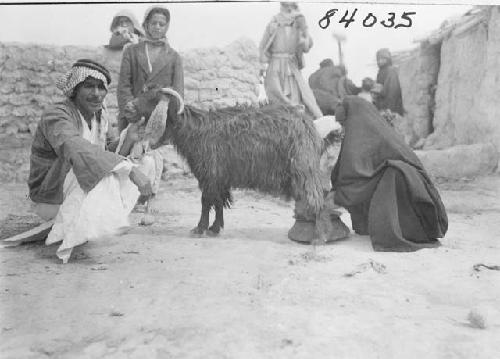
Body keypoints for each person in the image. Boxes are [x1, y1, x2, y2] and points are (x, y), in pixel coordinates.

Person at [27, 59, 153, 263]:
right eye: (89, 86)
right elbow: (75, 147)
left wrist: (129, 137)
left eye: (101, 87)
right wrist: (129, 170)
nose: (96, 93)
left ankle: (90, 226)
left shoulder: (99, 115)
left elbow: (108, 150)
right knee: (96, 167)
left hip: (76, 187)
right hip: (51, 194)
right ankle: (73, 234)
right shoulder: (57, 114)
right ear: (74, 89)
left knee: (146, 162)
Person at [330, 96, 448, 251]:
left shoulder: (361, 135)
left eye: (344, 123)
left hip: (415, 206)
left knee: (393, 174)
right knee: (386, 174)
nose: (343, 127)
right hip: (419, 205)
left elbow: (356, 179)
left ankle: (398, 230)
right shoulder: (371, 130)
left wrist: (333, 199)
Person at [116, 6, 184, 201]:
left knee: (150, 155)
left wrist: (166, 112)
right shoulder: (132, 51)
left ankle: (145, 196)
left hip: (158, 116)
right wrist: (129, 108)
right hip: (133, 113)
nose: (157, 27)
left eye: (162, 24)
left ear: (167, 26)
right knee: (128, 151)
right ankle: (124, 195)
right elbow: (124, 84)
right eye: (153, 23)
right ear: (145, 24)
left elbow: (178, 91)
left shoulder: (173, 57)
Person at [259, 2, 322, 119]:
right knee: (276, 90)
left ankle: (296, 112)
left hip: (291, 64)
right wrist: (261, 64)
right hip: (276, 63)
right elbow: (263, 46)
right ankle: (283, 113)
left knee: (297, 91)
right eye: (287, 7)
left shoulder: (298, 26)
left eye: (292, 7)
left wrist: (305, 31)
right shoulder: (273, 25)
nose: (290, 10)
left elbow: (307, 46)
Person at [375, 48, 404, 116]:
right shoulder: (380, 72)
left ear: (387, 59)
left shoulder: (391, 71)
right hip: (382, 106)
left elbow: (392, 91)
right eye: (378, 59)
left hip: (390, 108)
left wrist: (389, 109)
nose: (379, 61)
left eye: (382, 59)